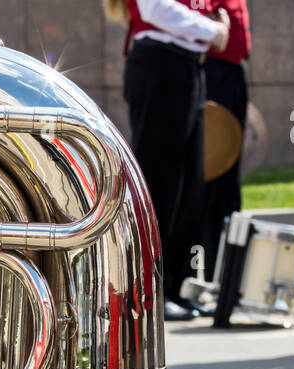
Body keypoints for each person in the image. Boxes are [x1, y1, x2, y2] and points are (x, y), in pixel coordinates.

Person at [105, 0, 231, 320]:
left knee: (189, 185)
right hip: (160, 64)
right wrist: (213, 30)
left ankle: (176, 288)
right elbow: (154, 9)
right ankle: (148, 294)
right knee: (160, 185)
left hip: (189, 66)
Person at [201, 0, 250, 280]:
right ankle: (202, 270)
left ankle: (225, 272)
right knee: (210, 176)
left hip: (231, 73)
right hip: (212, 70)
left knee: (228, 179)